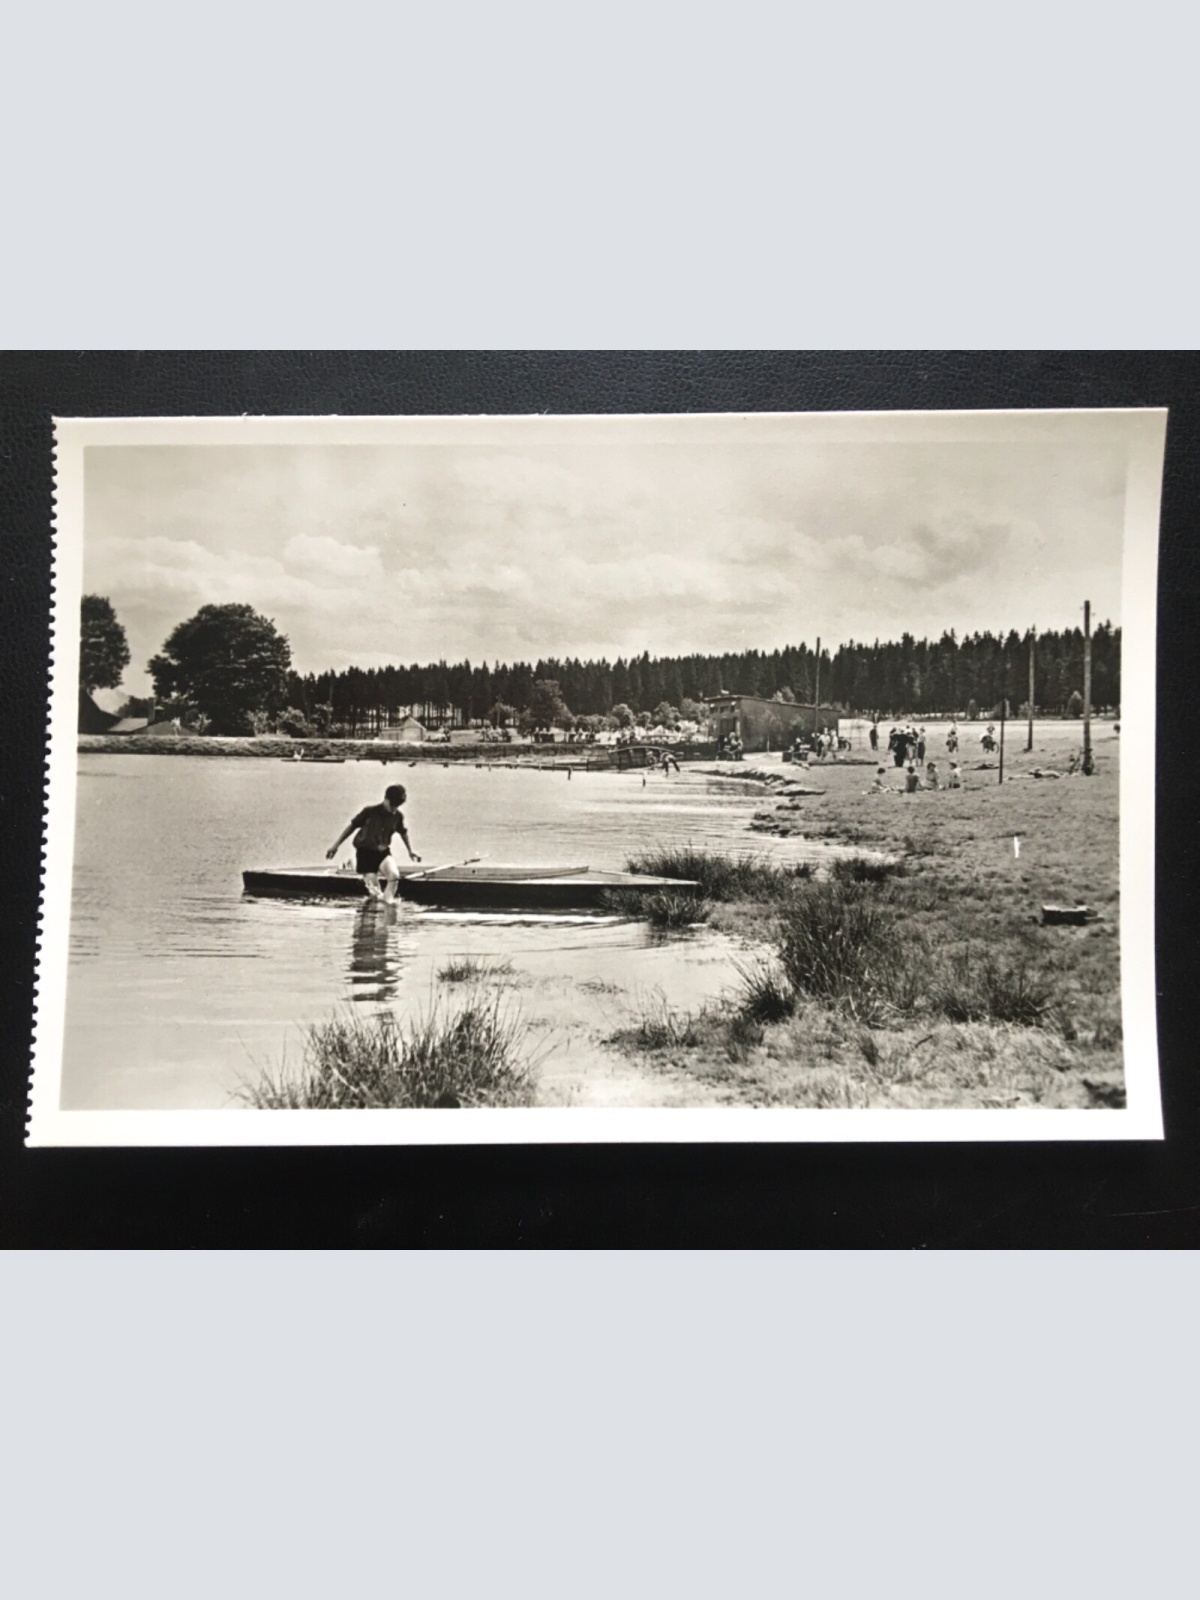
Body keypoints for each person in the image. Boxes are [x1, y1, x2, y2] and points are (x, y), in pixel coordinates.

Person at [327, 783, 421, 902]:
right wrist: (335, 846)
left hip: (383, 852)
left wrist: (410, 851)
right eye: (392, 805)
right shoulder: (369, 812)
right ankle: (375, 908)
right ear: (386, 799)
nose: (394, 809)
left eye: (397, 806)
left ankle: (389, 905)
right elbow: (351, 827)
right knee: (375, 892)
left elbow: (403, 832)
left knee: (394, 877)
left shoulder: (398, 816)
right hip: (365, 853)